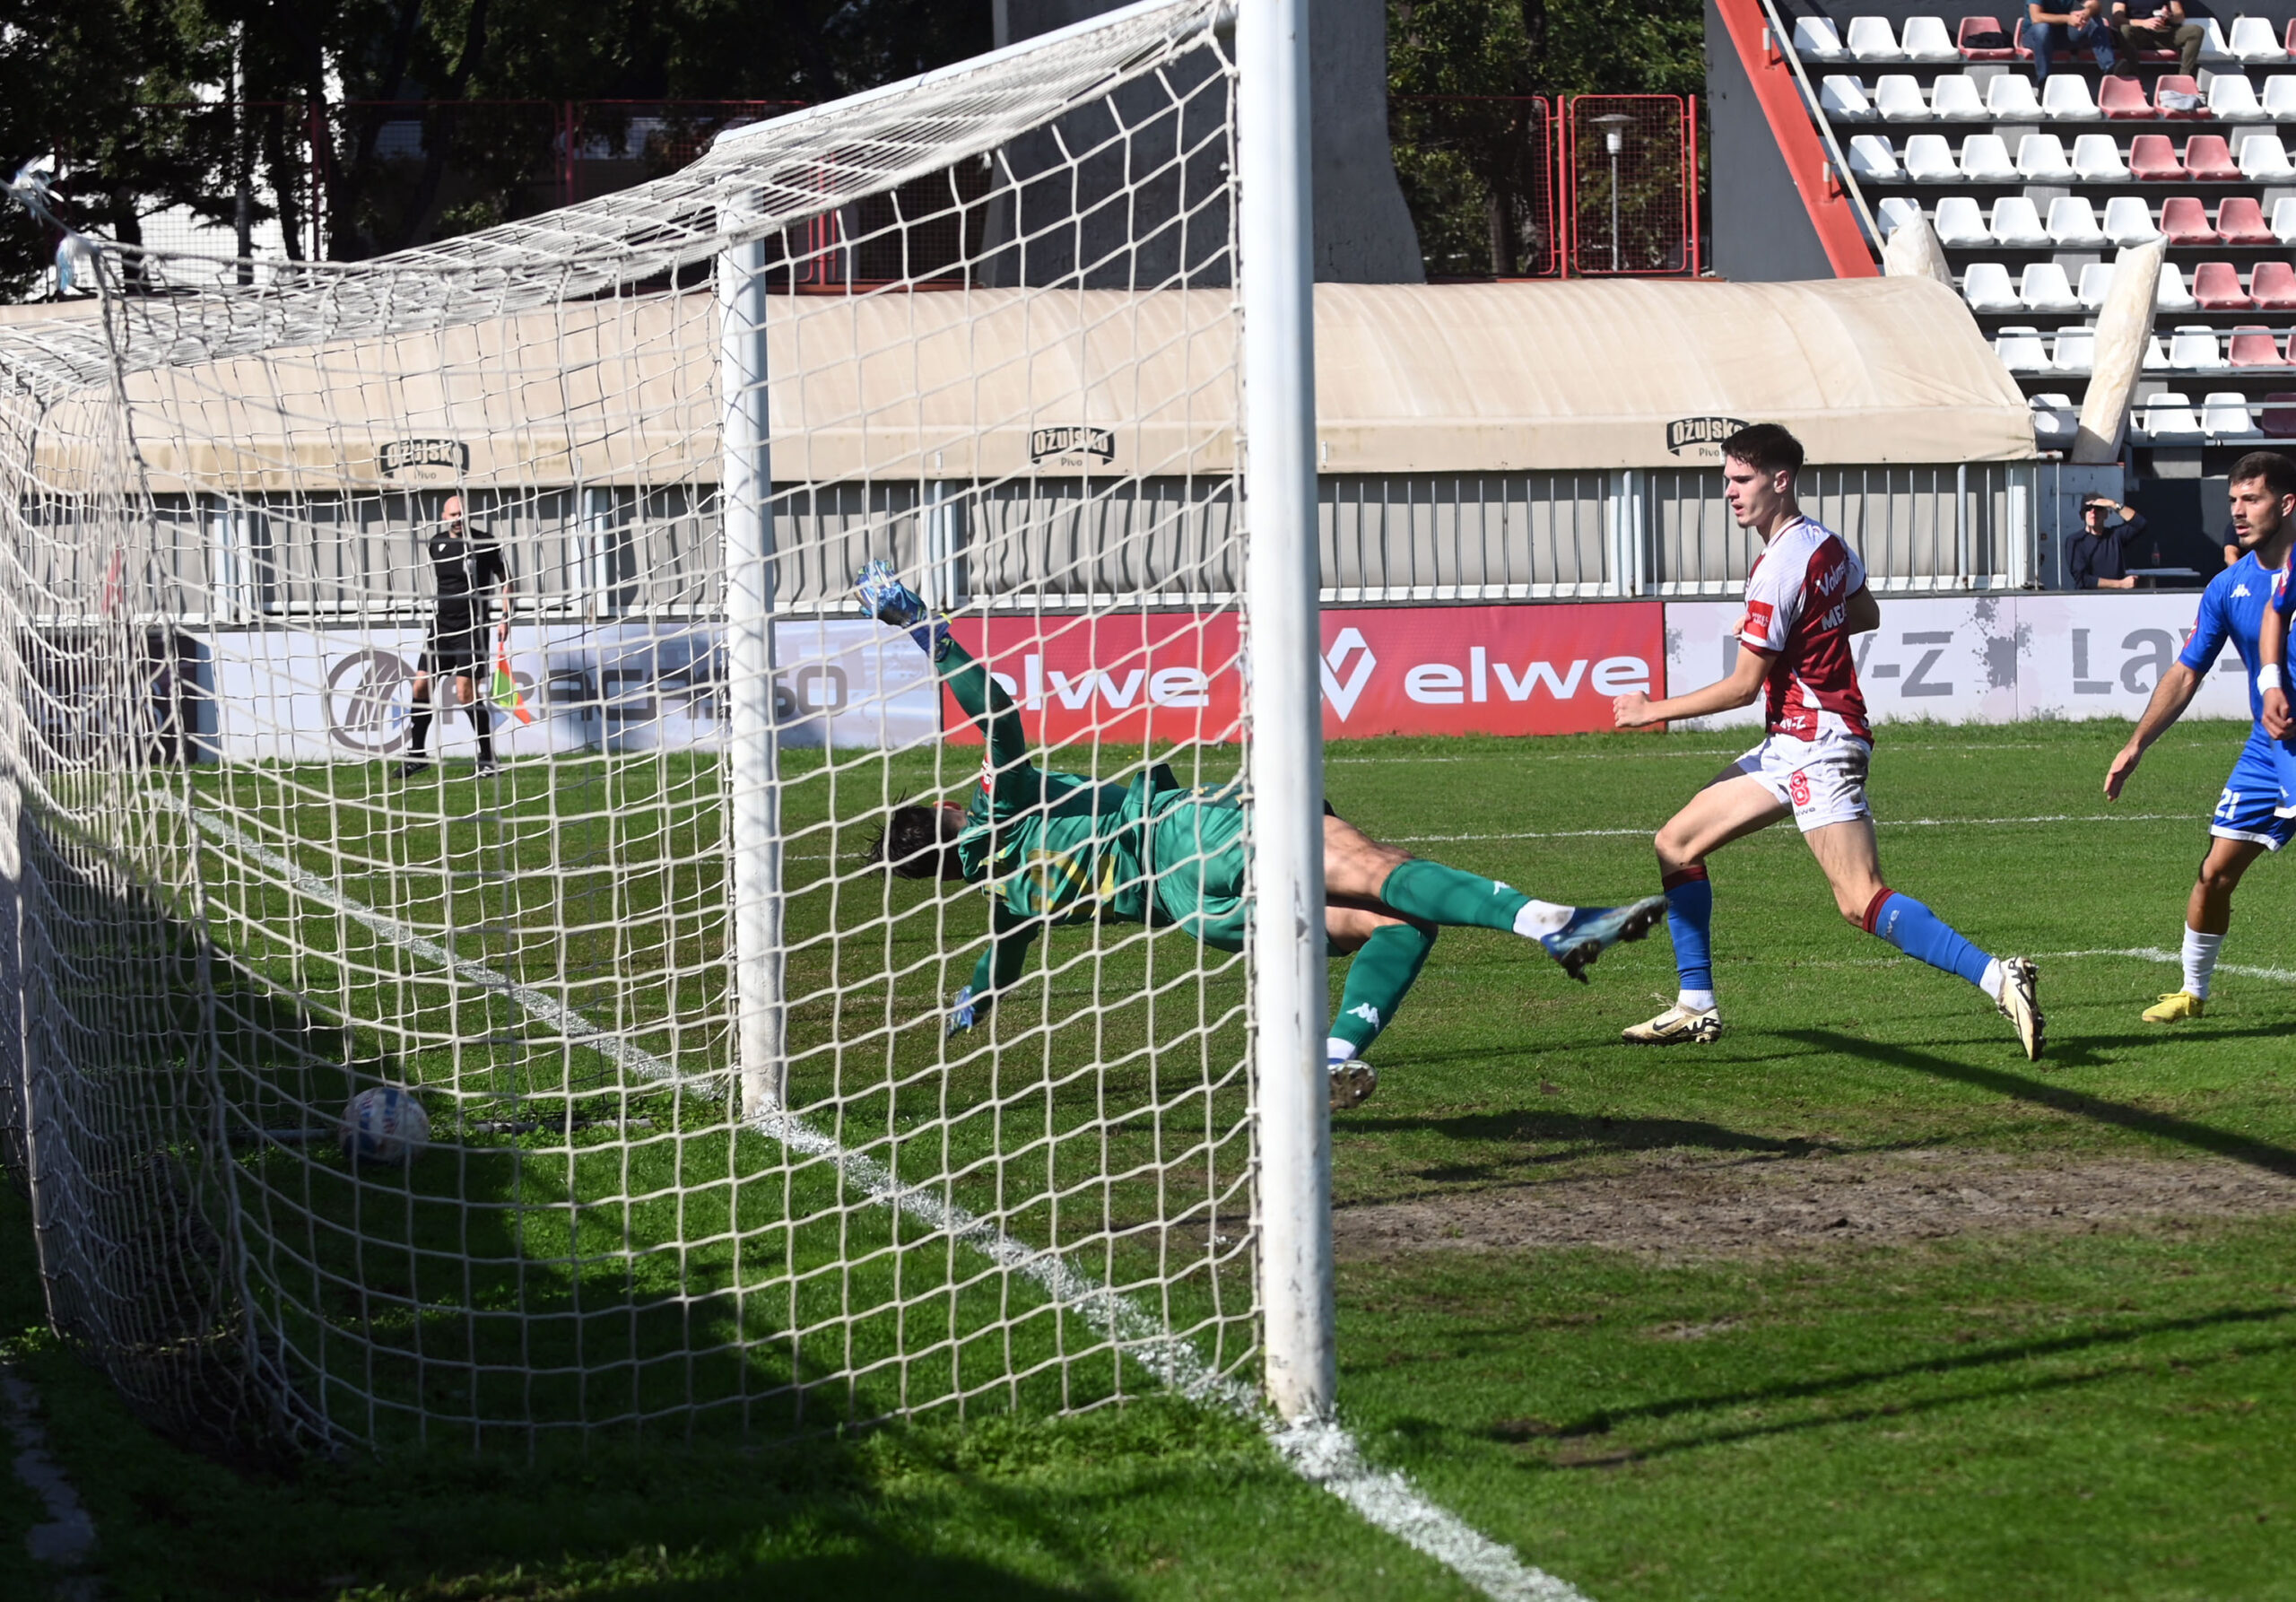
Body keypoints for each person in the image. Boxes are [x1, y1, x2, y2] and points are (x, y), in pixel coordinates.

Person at [852, 560, 1668, 1110]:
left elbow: (1000, 968)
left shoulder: (1005, 896)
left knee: (1399, 923)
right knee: (1377, 865)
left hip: (1203, 920)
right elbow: (994, 706)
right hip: (1187, 836)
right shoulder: (999, 804)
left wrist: (970, 1003)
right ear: (949, 814)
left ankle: (1334, 1053)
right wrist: (919, 622)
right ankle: (1550, 922)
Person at [1610, 424, 2044, 1058]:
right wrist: (1802, 630)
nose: (1728, 492)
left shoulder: (1778, 568)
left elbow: (1741, 687)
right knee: (1676, 843)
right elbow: (1864, 614)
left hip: (1819, 742)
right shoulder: (1825, 544)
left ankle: (1998, 976)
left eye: (1740, 480)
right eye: (1726, 479)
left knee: (1859, 897)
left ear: (1779, 480)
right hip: (1793, 741)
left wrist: (1654, 709)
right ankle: (1695, 1005)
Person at [2104, 451, 2296, 1021]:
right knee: (2214, 873)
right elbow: (2187, 671)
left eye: (2252, 499)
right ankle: (2192, 992)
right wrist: (2137, 743)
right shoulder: (2228, 587)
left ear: (2286, 504)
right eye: (2232, 500)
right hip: (2270, 750)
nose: (2238, 512)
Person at [398, 494, 511, 778]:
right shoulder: (436, 543)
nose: (457, 519)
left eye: (461, 513)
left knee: (465, 694)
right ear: (444, 516)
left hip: (471, 630)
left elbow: (506, 578)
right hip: (441, 628)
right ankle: (417, 755)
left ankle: (487, 758)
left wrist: (505, 616)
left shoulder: (485, 541)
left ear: (467, 514)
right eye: (452, 515)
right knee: (420, 686)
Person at [2029, 0, 2125, 82]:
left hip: (2060, 35)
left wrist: (2087, 12)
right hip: (2034, 36)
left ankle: (2110, 69)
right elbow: (2036, 18)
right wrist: (2067, 18)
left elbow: (2096, 5)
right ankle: (2043, 81)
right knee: (2042, 29)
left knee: (2094, 19)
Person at [2066, 496, 2148, 590]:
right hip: (2089, 600)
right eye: (2088, 509)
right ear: (2082, 515)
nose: (2093, 512)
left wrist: (2113, 504)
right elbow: (2083, 580)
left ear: (2106, 514)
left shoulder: (2115, 535)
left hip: (2115, 599)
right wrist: (2121, 584)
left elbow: (2140, 523)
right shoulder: (2075, 541)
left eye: (2098, 508)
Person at [2111, 0, 2206, 77]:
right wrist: (2143, 23)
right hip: (2139, 34)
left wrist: (2168, 15)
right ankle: (2132, 75)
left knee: (2196, 31)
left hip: (2164, 34)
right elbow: (2117, 19)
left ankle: (2184, 77)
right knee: (2125, 29)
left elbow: (2179, 17)